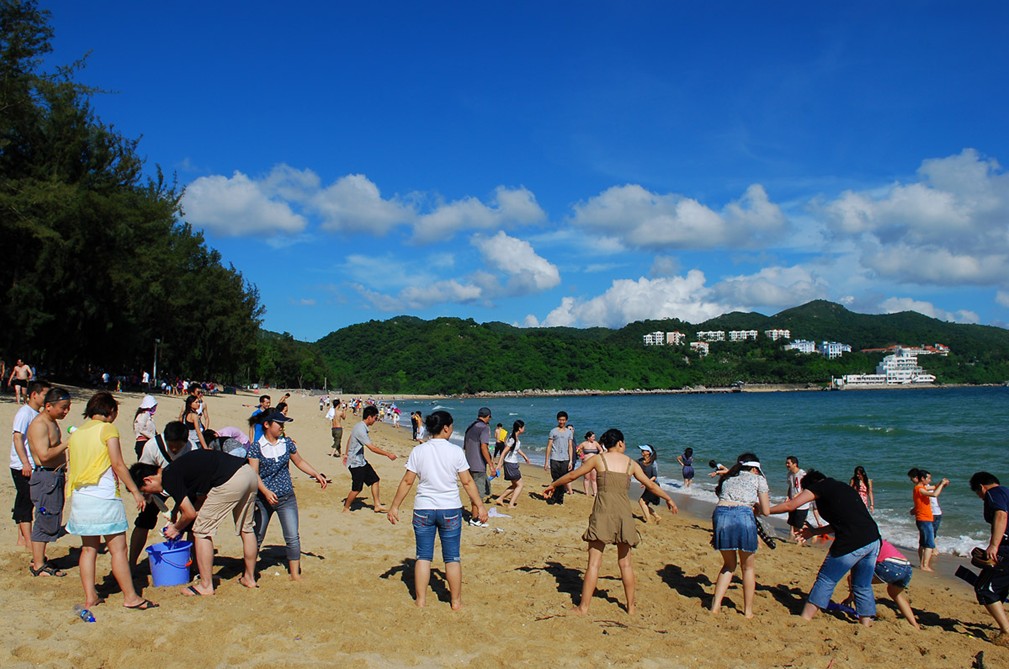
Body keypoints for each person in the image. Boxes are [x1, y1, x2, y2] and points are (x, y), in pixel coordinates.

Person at [543, 428, 676, 614]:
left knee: (593, 563)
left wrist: (553, 485)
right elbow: (650, 485)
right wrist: (669, 499)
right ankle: (631, 608)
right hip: (624, 515)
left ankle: (583, 607)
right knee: (626, 564)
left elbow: (573, 475)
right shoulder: (631, 463)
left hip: (602, 513)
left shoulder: (598, 459)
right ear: (620, 443)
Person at [387, 411, 488, 609]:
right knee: (452, 558)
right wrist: (480, 505)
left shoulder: (419, 451)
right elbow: (467, 482)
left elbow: (408, 481)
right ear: (446, 428)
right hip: (450, 509)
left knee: (423, 556)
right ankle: (455, 602)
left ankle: (421, 600)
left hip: (423, 508)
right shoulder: (455, 452)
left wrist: (395, 506)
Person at [65, 392, 157, 611]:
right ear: (110, 411)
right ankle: (130, 597)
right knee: (118, 549)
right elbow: (118, 464)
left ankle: (90, 596)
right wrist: (135, 491)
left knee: (88, 549)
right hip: (104, 496)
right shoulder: (107, 429)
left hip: (81, 496)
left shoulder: (77, 433)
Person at [130, 448, 260, 596]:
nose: (149, 494)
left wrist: (176, 528)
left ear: (148, 480)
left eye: (146, 491)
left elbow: (190, 513)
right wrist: (175, 513)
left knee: (201, 531)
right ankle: (249, 578)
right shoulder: (176, 469)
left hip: (230, 480)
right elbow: (197, 499)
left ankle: (206, 586)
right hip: (248, 473)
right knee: (246, 528)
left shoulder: (168, 478)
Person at [768, 469, 881, 626]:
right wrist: (814, 532)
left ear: (810, 486)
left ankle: (805, 618)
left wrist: (765, 510)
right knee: (862, 585)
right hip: (873, 540)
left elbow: (790, 505)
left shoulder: (819, 487)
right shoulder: (841, 488)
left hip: (852, 541)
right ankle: (866, 623)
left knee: (826, 579)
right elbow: (841, 522)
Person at [248, 409, 328, 580]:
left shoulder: (287, 443)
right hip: (263, 499)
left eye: (283, 424)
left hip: (286, 497)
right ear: (267, 424)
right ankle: (249, 573)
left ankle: (295, 575)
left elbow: (299, 461)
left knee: (292, 536)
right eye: (279, 423)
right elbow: (254, 474)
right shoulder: (256, 447)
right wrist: (266, 492)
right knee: (257, 537)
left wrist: (316, 474)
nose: (282, 427)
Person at [709, 453, 771, 617]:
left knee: (728, 565)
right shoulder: (758, 479)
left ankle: (715, 606)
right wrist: (756, 507)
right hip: (743, 515)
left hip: (720, 514)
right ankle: (748, 611)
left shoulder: (728, 477)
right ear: (755, 468)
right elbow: (766, 511)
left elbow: (725, 496)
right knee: (748, 567)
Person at [127, 421, 195, 569]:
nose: (174, 449)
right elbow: (144, 475)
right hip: (156, 488)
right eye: (171, 446)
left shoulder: (191, 448)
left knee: (191, 523)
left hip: (182, 487)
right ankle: (131, 564)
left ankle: (191, 563)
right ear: (165, 439)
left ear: (185, 442)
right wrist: (144, 496)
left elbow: (191, 479)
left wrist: (177, 509)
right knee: (144, 520)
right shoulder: (152, 446)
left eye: (178, 446)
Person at [26, 387, 72, 577]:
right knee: (44, 518)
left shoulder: (51, 422)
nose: (66, 411)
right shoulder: (40, 425)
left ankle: (39, 559)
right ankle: (38, 565)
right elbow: (44, 456)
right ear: (48, 406)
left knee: (51, 518)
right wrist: (67, 443)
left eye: (68, 407)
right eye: (63, 407)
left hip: (53, 476)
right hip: (45, 477)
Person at [968, 471, 1009, 646]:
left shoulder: (993, 494)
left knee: (984, 588)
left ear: (981, 487)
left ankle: (1006, 631)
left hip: (1007, 549)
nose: (980, 497)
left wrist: (994, 545)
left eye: (978, 493)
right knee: (1001, 588)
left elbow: (1001, 515)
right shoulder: (1006, 491)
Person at [842, 538, 919, 628]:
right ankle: (915, 624)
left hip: (891, 565)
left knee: (856, 580)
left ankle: (864, 615)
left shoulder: (865, 542)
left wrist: (851, 595)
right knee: (895, 595)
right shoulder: (879, 540)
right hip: (906, 568)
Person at [9, 379, 49, 550]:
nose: (47, 399)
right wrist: (25, 463)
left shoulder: (36, 414)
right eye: (45, 395)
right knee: (27, 501)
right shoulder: (24, 413)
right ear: (34, 394)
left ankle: (21, 538)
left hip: (31, 465)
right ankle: (28, 541)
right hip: (22, 466)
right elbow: (17, 438)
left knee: (24, 500)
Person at [342, 405, 397, 513]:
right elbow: (372, 448)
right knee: (357, 489)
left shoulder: (359, 426)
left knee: (375, 480)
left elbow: (350, 438)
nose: (375, 420)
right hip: (355, 463)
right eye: (375, 418)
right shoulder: (360, 429)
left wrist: (346, 454)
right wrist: (388, 454)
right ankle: (346, 508)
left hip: (361, 461)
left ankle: (377, 505)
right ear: (369, 417)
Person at [908, 467, 948, 572]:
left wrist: (942, 483)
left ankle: (923, 564)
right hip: (924, 519)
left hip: (925, 518)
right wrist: (941, 485)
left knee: (923, 543)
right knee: (929, 544)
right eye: (928, 478)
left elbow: (934, 487)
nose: (930, 480)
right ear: (922, 478)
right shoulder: (919, 488)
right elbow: (934, 494)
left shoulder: (922, 487)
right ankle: (924, 566)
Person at [492, 420, 531, 508]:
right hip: (511, 464)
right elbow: (504, 452)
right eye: (523, 427)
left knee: (515, 485)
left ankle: (500, 499)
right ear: (520, 428)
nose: (524, 428)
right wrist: (499, 464)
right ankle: (511, 504)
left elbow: (516, 449)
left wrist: (525, 456)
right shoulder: (512, 439)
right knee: (520, 485)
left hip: (511, 463)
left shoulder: (514, 437)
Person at [462, 407, 496, 502]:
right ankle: (476, 512)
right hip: (478, 465)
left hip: (468, 463)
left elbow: (465, 446)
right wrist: (491, 465)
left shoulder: (470, 427)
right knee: (479, 494)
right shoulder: (484, 428)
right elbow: (483, 447)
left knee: (473, 492)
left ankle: (475, 511)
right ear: (488, 417)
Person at [544, 411, 573, 505]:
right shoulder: (553, 431)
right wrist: (546, 461)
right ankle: (555, 498)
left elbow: (570, 446)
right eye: (560, 420)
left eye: (563, 420)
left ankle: (559, 499)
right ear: (557, 420)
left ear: (566, 420)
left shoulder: (569, 432)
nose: (562, 422)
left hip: (565, 459)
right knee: (556, 479)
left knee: (563, 479)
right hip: (555, 458)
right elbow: (549, 446)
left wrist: (571, 460)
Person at [785, 456, 812, 544]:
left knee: (799, 524)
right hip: (793, 502)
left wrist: (799, 494)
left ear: (795, 464)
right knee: (793, 523)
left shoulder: (802, 474)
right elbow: (790, 486)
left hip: (802, 503)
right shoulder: (789, 474)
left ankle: (811, 534)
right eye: (786, 463)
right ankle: (798, 540)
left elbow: (808, 487)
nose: (787, 465)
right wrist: (788, 496)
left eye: (788, 463)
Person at [637, 445, 663, 524]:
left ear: (648, 452)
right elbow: (632, 465)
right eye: (641, 450)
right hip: (648, 485)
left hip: (653, 485)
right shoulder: (640, 461)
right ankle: (657, 517)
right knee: (644, 503)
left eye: (643, 450)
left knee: (641, 502)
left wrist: (646, 482)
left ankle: (649, 520)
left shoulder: (653, 463)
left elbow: (654, 476)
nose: (642, 451)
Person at [576, 431, 602, 496]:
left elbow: (601, 450)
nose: (594, 438)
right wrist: (582, 456)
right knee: (586, 478)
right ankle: (586, 492)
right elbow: (578, 449)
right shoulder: (584, 444)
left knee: (594, 479)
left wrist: (598, 456)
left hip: (594, 463)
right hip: (586, 463)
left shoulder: (595, 443)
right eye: (592, 437)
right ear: (588, 437)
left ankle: (595, 493)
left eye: (594, 437)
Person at [133, 395, 158, 459]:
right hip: (143, 443)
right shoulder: (144, 415)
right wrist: (153, 437)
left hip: (147, 442)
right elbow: (141, 429)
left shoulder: (147, 415)